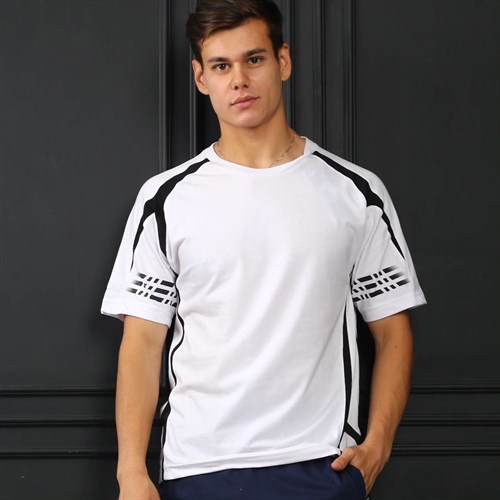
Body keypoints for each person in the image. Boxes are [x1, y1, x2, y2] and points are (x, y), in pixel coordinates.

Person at [101, 0, 426, 498]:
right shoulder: (165, 198)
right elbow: (143, 342)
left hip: (321, 464)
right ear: (201, 78)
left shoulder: (355, 191)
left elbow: (392, 328)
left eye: (254, 59)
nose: (239, 80)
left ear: (283, 61)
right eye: (221, 66)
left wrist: (378, 445)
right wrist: (130, 473)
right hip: (199, 465)